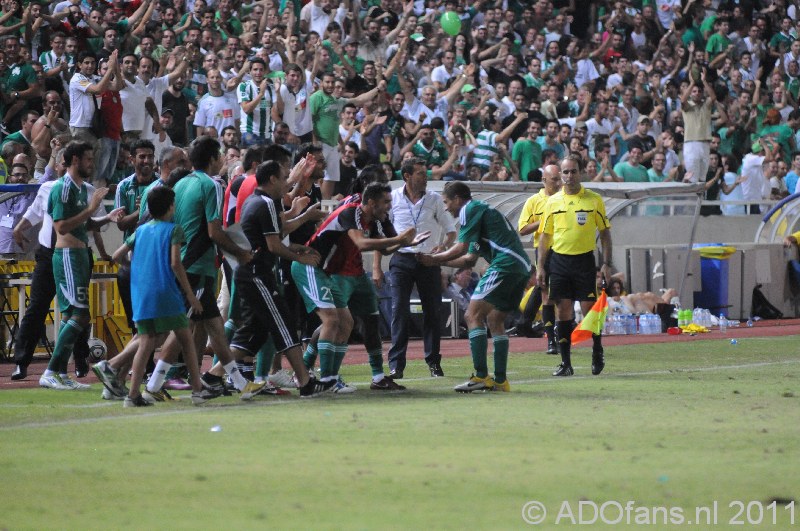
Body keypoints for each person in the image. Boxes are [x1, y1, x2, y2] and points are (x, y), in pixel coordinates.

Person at [291, 182, 421, 392]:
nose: (389, 206)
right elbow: (361, 244)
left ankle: (329, 378)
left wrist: (405, 243)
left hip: (323, 271)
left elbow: (386, 247)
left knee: (346, 322)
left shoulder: (375, 218)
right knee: (332, 320)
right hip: (308, 267)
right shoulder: (351, 212)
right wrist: (399, 239)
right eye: (385, 202)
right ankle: (324, 379)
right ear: (370, 202)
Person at [229, 160, 331, 397]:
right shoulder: (263, 203)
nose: (287, 182)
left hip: (252, 273)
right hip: (256, 274)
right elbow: (274, 245)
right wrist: (299, 257)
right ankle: (305, 382)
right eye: (284, 177)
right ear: (273, 179)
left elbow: (280, 230)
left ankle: (212, 375)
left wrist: (302, 216)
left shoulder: (258, 202)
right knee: (283, 324)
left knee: (253, 332)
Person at [419, 181, 531, 393]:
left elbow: (460, 248)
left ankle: (480, 375)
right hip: (521, 266)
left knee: (471, 316)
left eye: (446, 202)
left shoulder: (469, 209)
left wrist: (432, 259)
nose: (445, 208)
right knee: (495, 319)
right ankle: (500, 381)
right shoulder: (481, 216)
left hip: (506, 264)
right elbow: (470, 259)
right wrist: (438, 261)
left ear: (457, 199)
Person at [39, 141, 124, 390]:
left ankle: (60, 373)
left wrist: (103, 218)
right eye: (88, 159)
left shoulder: (77, 188)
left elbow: (81, 224)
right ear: (75, 160)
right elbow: (62, 227)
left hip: (77, 256)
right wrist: (90, 209)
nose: (92, 163)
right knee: (80, 315)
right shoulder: (63, 188)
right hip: (66, 256)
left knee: (71, 315)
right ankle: (51, 370)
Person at [111, 186, 207, 407]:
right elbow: (175, 263)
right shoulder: (174, 230)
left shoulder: (141, 230)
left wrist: (137, 267)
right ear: (171, 206)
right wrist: (191, 295)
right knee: (185, 339)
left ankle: (132, 394)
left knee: (145, 342)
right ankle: (197, 389)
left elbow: (117, 256)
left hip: (141, 292)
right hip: (166, 292)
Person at [537, 155, 612, 378]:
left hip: (584, 261)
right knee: (563, 311)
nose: (569, 176)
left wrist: (606, 263)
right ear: (560, 174)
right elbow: (545, 236)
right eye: (565, 172)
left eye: (573, 171)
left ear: (581, 173)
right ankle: (565, 363)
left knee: (590, 310)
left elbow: (605, 233)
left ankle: (597, 349)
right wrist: (541, 266)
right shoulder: (552, 202)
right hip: (559, 261)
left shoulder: (593, 199)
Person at [384, 157, 456, 379]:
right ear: (407, 176)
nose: (425, 178)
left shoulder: (434, 199)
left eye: (425, 174)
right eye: (421, 174)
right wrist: (377, 268)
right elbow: (383, 236)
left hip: (428, 261)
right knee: (399, 311)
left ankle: (434, 362)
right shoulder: (393, 197)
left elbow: (451, 231)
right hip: (401, 259)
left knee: (433, 311)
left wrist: (441, 249)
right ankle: (396, 365)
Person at [517, 164, 562, 353]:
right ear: (544, 180)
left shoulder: (565, 199)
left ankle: (560, 334)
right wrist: (543, 222)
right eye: (554, 179)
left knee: (562, 295)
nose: (559, 183)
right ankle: (551, 339)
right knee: (546, 293)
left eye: (560, 179)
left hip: (566, 249)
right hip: (544, 250)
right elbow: (522, 229)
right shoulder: (534, 201)